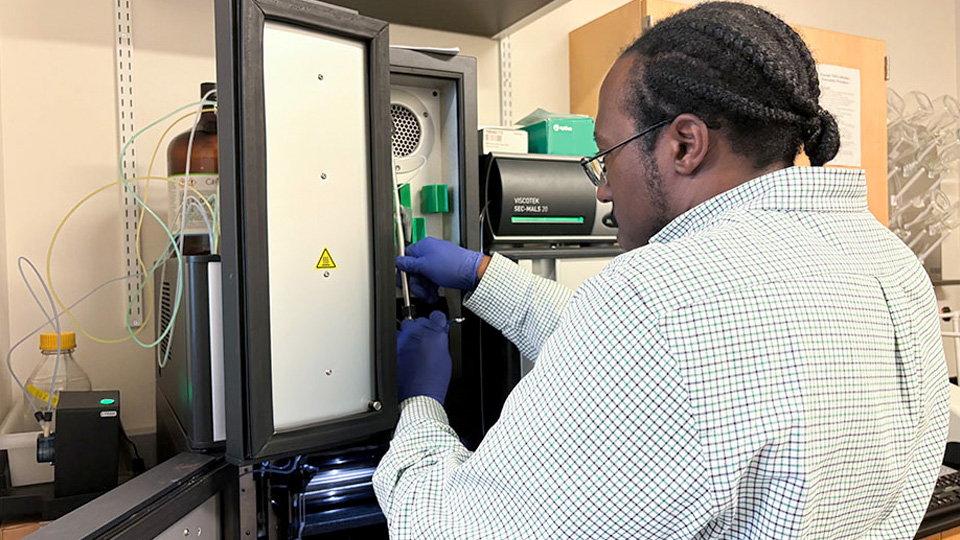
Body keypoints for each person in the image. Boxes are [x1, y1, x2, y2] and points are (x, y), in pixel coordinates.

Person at [372, 2, 950, 538]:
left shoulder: (658, 301)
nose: (601, 188)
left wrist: (421, 402)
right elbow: (672, 370)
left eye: (605, 154)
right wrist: (482, 275)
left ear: (685, 144)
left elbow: (444, 528)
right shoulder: (890, 262)